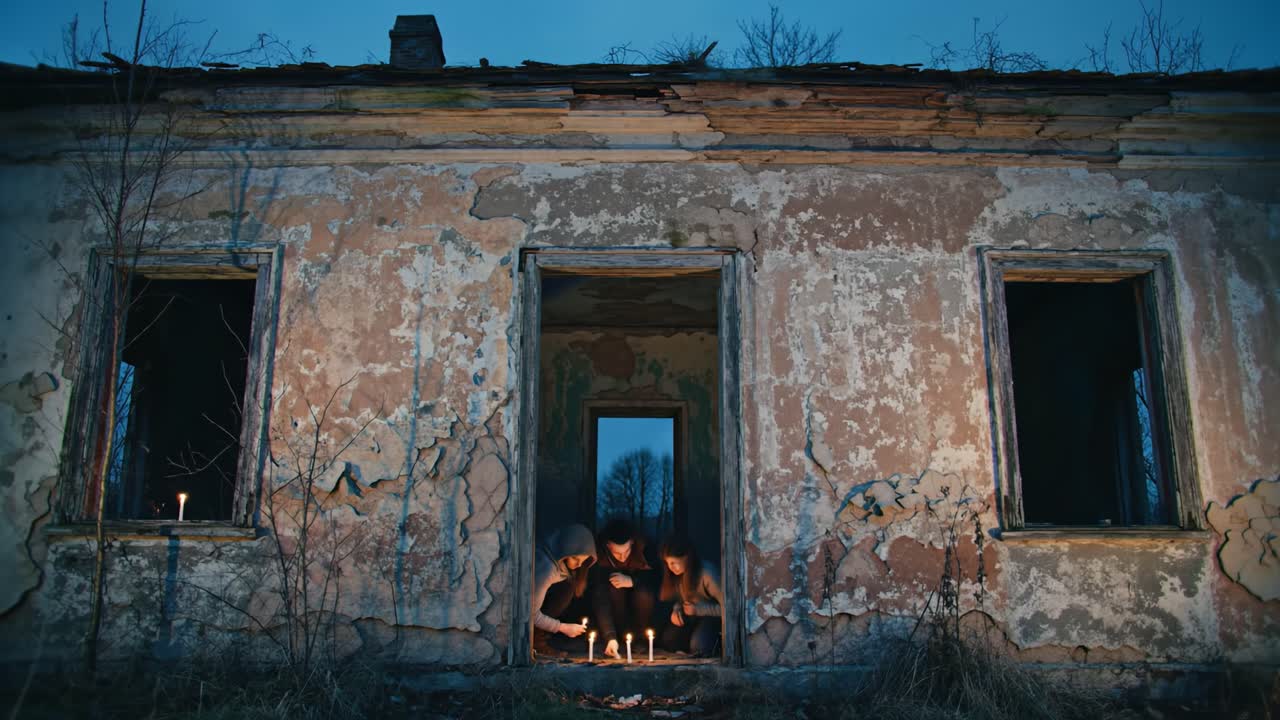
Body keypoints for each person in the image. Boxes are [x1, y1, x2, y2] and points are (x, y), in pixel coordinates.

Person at [590, 518, 656, 659]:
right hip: (616, 612)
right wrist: (610, 636)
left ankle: (639, 639)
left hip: (640, 612)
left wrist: (633, 581)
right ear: (608, 545)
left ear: (632, 542)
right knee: (614, 588)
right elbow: (600, 599)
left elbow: (656, 581)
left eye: (626, 552)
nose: (622, 558)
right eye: (617, 554)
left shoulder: (645, 551)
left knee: (644, 594)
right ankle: (618, 638)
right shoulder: (599, 559)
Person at [532, 523, 597, 647]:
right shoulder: (546, 569)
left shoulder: (567, 568)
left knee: (571, 587)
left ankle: (542, 640)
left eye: (583, 560)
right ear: (565, 551)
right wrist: (562, 627)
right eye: (574, 558)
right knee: (567, 589)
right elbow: (530, 614)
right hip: (534, 616)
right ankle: (537, 642)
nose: (579, 564)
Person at [657, 534, 722, 657]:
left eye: (674, 562)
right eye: (668, 563)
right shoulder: (677, 574)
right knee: (667, 640)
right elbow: (680, 599)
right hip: (692, 615)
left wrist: (699, 610)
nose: (671, 568)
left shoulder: (708, 573)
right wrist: (676, 610)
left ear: (687, 557)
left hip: (712, 617)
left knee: (700, 647)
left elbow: (728, 609)